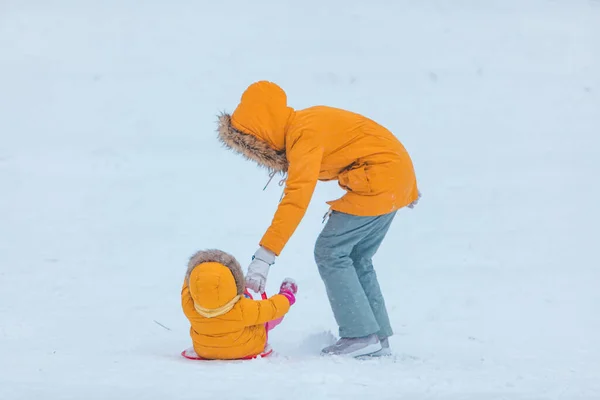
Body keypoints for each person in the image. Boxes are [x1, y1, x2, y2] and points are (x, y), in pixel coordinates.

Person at [217, 80, 420, 358]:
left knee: (330, 251)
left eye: (257, 147)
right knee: (356, 256)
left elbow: (296, 199)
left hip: (379, 179)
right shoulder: (307, 122)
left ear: (263, 133)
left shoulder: (305, 134)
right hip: (395, 180)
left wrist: (265, 255)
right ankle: (376, 335)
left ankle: (360, 334)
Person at [181, 248, 298, 360]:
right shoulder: (242, 309)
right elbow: (272, 308)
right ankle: (285, 292)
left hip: (204, 350)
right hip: (246, 348)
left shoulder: (190, 307)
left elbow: (186, 290)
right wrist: (286, 297)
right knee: (265, 317)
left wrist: (196, 274)